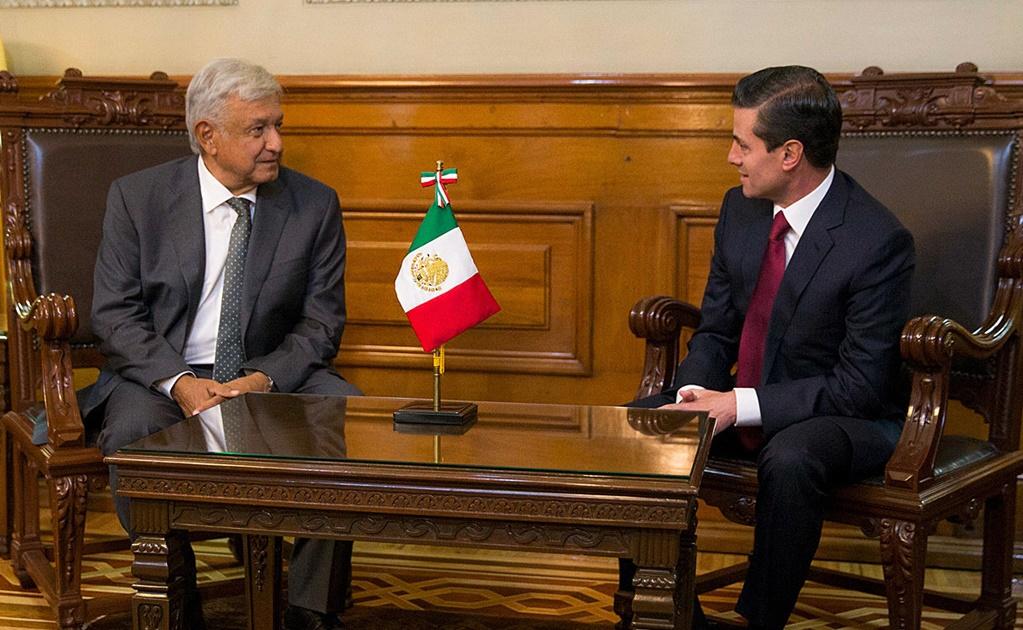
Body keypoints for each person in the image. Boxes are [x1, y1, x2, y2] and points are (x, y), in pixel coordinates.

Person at [631, 66, 915, 628]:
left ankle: (758, 622)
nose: (731, 157)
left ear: (789, 154)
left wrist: (737, 404)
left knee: (790, 457)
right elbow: (716, 329)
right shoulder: (740, 209)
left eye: (741, 143)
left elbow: (859, 386)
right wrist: (690, 394)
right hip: (752, 399)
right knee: (637, 427)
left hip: (847, 415)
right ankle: (663, 614)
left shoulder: (877, 241)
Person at [84, 58, 360, 630]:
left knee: (343, 426)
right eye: (257, 129)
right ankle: (175, 596)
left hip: (273, 372)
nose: (276, 143)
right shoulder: (138, 199)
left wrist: (260, 380)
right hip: (164, 375)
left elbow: (320, 324)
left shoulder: (313, 205)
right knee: (133, 435)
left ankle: (312, 608)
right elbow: (116, 315)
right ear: (207, 135)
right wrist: (181, 383)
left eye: (277, 125)